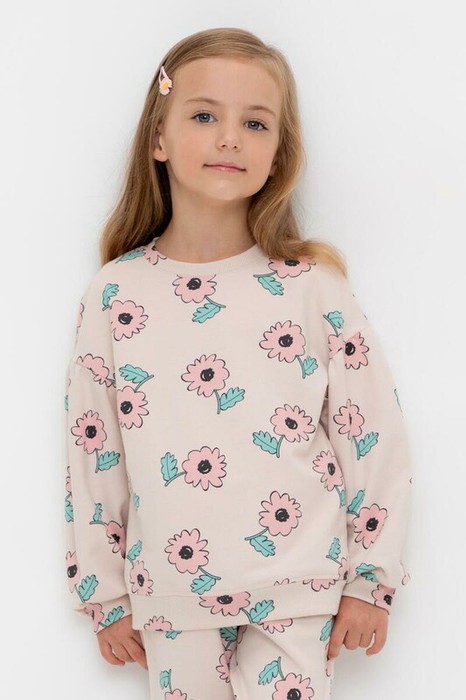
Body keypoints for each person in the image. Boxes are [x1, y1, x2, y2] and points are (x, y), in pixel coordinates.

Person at [63, 26, 413, 700]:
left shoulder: (314, 288)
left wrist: (370, 578)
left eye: (255, 123)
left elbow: (372, 435)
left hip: (300, 590)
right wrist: (103, 594)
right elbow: (93, 449)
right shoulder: (114, 295)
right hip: (173, 598)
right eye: (204, 116)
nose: (230, 138)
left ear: (277, 153)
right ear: (158, 138)